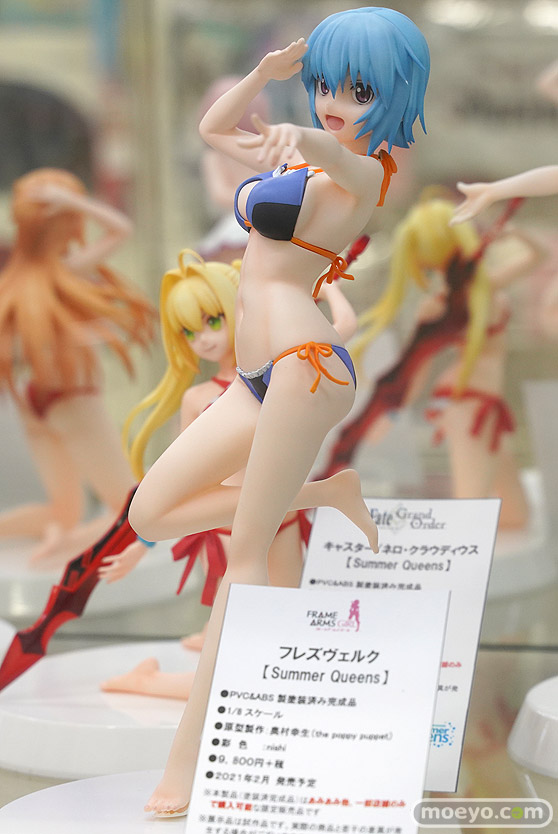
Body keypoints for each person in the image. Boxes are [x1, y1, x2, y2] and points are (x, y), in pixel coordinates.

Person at [129, 8, 429, 816]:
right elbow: (210, 129)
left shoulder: (369, 173)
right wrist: (263, 78)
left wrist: (301, 134)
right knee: (150, 511)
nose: (335, 103)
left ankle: (190, 763)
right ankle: (324, 493)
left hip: (305, 366)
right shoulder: (300, 151)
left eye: (358, 91)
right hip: (255, 375)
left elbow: (336, 155)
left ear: (395, 95)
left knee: (247, 556)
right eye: (326, 84)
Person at [323, 199, 542, 527]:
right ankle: (458, 552)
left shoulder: (483, 288)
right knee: (469, 513)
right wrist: (388, 414)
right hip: (466, 407)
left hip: (486, 406)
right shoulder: (439, 307)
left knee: (515, 517)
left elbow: (540, 256)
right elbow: (414, 370)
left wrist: (515, 232)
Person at [0, 168, 154, 559]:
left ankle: (61, 541)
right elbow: (121, 229)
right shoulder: (62, 271)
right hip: (72, 399)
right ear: (67, 222)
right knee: (129, 509)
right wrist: (73, 201)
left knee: (64, 512)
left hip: (34, 401)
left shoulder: (14, 282)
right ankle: (66, 549)